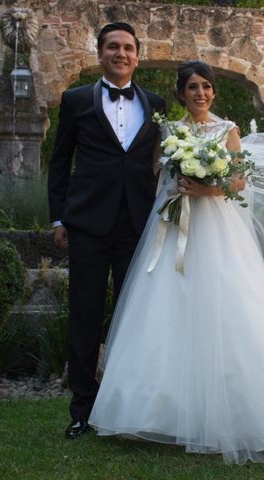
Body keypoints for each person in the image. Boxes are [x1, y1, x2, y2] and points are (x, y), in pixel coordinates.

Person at [88, 60, 264, 463]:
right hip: (174, 227)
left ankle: (247, 408)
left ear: (214, 93)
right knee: (165, 307)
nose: (200, 93)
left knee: (233, 302)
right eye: (192, 87)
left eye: (206, 87)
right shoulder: (169, 132)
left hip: (217, 227)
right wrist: (178, 179)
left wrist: (206, 188)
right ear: (181, 93)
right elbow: (157, 172)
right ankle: (163, 413)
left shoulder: (228, 130)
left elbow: (238, 180)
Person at [48, 22, 166, 440]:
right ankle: (82, 409)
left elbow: (162, 163)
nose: (121, 53)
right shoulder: (75, 100)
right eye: (113, 47)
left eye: (128, 48)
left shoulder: (156, 103)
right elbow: (59, 163)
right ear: (100, 53)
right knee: (85, 316)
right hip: (87, 225)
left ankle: (128, 406)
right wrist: (58, 219)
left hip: (139, 225)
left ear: (138, 55)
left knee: (135, 317)